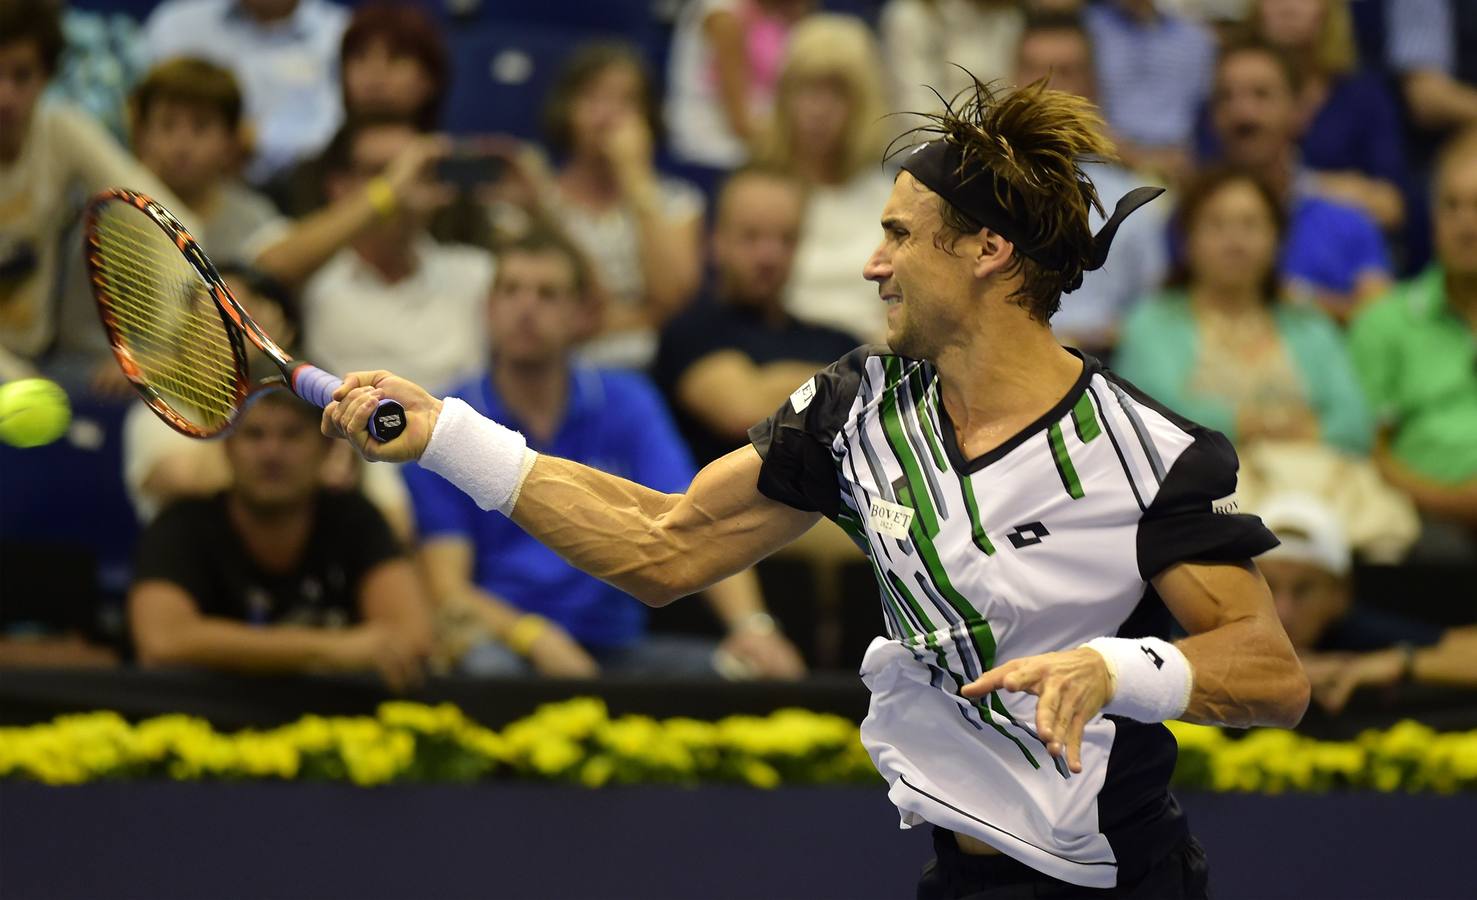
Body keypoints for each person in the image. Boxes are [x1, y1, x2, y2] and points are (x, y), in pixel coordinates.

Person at [324, 78, 1308, 896]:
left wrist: (1112, 670)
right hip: (958, 875)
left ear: (986, 252)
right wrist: (447, 436)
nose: (872, 265)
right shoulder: (854, 411)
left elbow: (1270, 673)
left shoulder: (1146, 450)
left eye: (899, 236)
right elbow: (662, 547)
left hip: (1120, 881)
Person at [405, 230, 805, 679]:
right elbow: (448, 591)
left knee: (742, 672)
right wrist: (535, 638)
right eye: (510, 290)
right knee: (488, 669)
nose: (526, 307)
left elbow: (699, 518)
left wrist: (753, 628)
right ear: (488, 308)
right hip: (506, 643)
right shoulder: (450, 423)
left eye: (547, 294)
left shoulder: (627, 401)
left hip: (617, 647)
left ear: (582, 314)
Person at [130, 389, 432, 691]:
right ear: (227, 447)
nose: (271, 453)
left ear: (327, 448)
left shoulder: (356, 519)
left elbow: (410, 638)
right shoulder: (182, 524)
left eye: (292, 435)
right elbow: (161, 643)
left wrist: (230, 648)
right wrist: (333, 650)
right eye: (254, 434)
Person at [1114, 167, 1372, 456]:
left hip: (1318, 477)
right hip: (1203, 482)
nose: (1235, 242)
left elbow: (1355, 423)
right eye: (1216, 225)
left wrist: (1294, 437)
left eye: (1251, 225)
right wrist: (1251, 426)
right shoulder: (1152, 324)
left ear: (1278, 240)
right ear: (1187, 240)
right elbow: (1152, 418)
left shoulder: (1310, 325)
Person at [0, 0, 193, 377]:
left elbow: (166, 222)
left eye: (21, 75)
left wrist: (167, 345)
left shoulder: (63, 130)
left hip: (42, 358)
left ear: (48, 76)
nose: (4, 96)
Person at [653, 165, 858, 467]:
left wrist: (770, 384)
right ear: (715, 242)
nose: (769, 256)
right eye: (751, 237)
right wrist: (843, 383)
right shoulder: (690, 331)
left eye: (785, 239)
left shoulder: (836, 339)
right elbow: (742, 412)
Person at [1348, 128, 1477, 552]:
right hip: (1423, 521)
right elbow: (1366, 452)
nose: (1466, 223)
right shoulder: (1385, 322)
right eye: (1452, 206)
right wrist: (1454, 502)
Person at [540, 42, 705, 370]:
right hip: (558, 365)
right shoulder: (537, 200)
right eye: (592, 97)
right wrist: (644, 315)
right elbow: (547, 316)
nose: (607, 116)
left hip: (656, 368)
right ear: (566, 109)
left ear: (648, 117)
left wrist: (635, 179)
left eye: (626, 101)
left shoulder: (678, 202)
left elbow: (676, 303)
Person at [1013, 11, 1168, 356]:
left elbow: (1155, 321)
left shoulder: (1135, 201)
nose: (1047, 87)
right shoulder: (972, 188)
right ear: (1013, 80)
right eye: (1034, 70)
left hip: (1103, 372)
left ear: (1092, 86)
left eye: (1066, 72)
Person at [299, 117, 491, 393]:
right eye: (380, 172)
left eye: (415, 171)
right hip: (342, 430)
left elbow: (576, 311)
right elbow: (257, 273)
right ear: (338, 187)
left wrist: (541, 205)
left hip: (452, 430)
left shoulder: (475, 272)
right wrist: (386, 193)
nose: (402, 186)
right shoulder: (310, 268)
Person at [1209, 37, 1392, 318]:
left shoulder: (1348, 220)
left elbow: (1379, 325)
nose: (1242, 113)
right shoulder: (1191, 221)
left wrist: (1294, 299)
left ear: (1299, 111)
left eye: (1261, 95)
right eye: (1226, 97)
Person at [1256, 493, 1477, 715]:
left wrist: (1401, 662)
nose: (1283, 610)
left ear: (1339, 594)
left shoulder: (1357, 629)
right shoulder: (1223, 628)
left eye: (1304, 590)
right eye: (1269, 587)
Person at [758, 14, 895, 344]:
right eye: (806, 90)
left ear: (862, 104)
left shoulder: (891, 193)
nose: (818, 110)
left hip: (874, 357)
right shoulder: (759, 192)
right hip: (782, 352)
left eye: (836, 94)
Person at [266, 1, 449, 219]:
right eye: (360, 57)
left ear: (430, 79)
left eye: (396, 58)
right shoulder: (309, 174)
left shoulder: (451, 170)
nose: (375, 75)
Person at [1240, 0, 1408, 231]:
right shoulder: (1230, 91)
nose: (1287, 7)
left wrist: (1305, 187)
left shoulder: (1363, 96)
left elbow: (1392, 206)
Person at [143, 0, 349, 184]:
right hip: (182, 185)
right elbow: (140, 115)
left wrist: (258, 140)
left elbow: (345, 131)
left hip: (308, 187)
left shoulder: (338, 32)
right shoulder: (176, 25)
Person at [664, 0, 813, 170]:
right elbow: (740, 123)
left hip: (758, 144)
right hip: (714, 153)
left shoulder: (779, 12)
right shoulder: (722, 16)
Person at [1084, 0, 1216, 184]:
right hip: (1105, 161)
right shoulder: (1087, 27)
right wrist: (1137, 159)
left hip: (1181, 165)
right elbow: (1075, 103)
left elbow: (1206, 115)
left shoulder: (1195, 39)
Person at [880, 0, 1026, 131]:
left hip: (995, 139)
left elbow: (1006, 92)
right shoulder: (909, 15)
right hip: (929, 145)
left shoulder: (1007, 17)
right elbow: (914, 107)